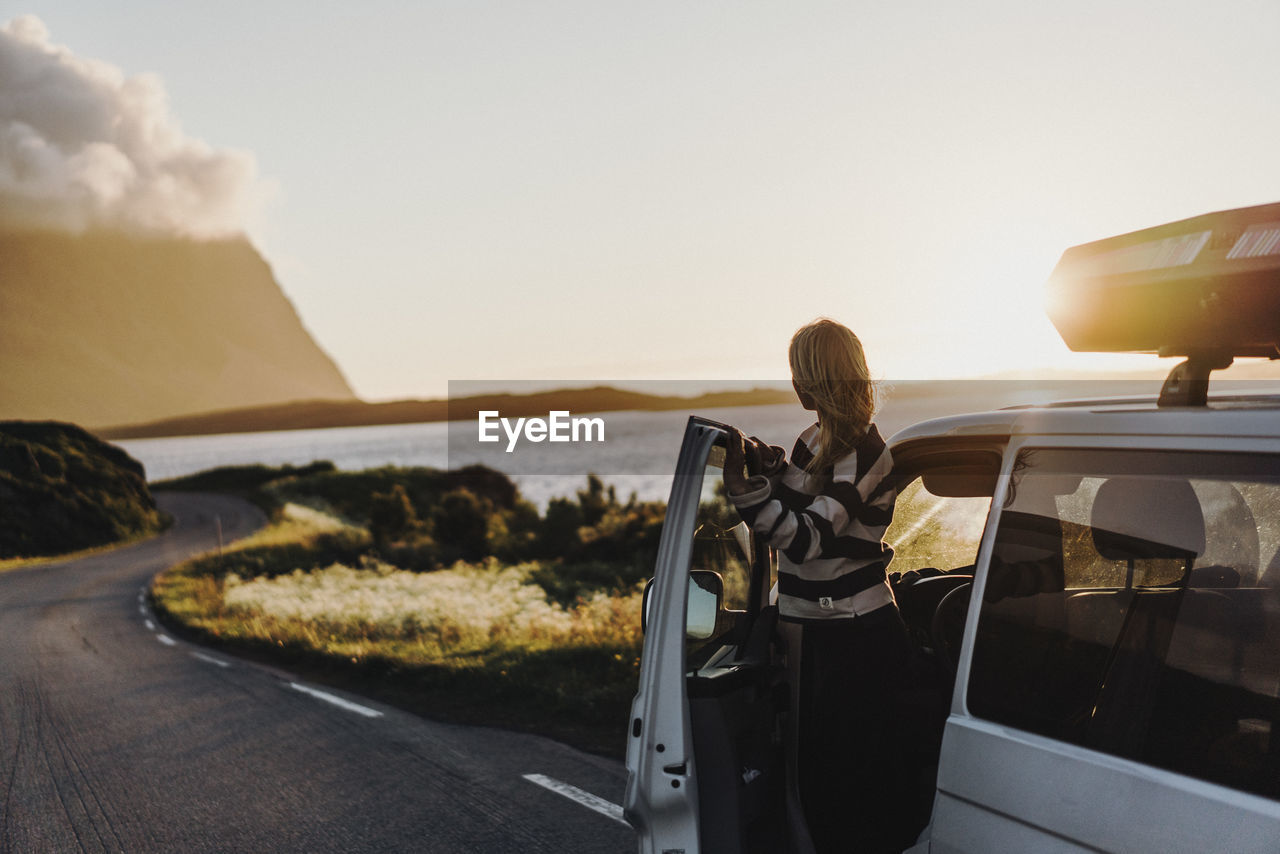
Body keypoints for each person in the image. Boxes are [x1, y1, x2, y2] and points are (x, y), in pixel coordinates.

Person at [723, 318, 916, 854]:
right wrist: (771, 471)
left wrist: (746, 495)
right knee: (810, 773)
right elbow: (799, 503)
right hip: (813, 631)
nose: (795, 385)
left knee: (837, 781)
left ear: (822, 377)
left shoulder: (865, 451)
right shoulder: (813, 443)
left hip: (851, 637)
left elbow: (806, 538)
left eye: (800, 373)